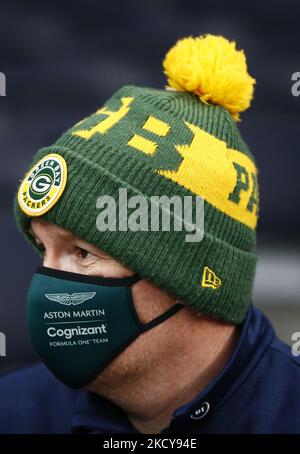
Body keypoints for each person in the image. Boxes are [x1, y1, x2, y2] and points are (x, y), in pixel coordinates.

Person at [0, 34, 299, 434]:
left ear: (196, 278)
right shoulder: (13, 413)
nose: (43, 286)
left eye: (83, 252)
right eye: (43, 248)